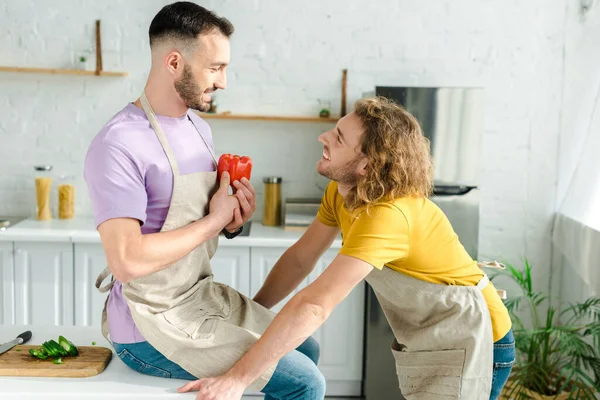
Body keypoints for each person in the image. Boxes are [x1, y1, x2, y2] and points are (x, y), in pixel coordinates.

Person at [177, 97, 516, 400]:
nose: (323, 138)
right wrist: (251, 318)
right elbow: (299, 260)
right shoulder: (343, 193)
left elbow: (315, 305)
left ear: (367, 165)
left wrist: (238, 378)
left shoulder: (387, 216)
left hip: (476, 336)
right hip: (433, 334)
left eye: (338, 138)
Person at [84, 2, 325, 399]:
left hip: (197, 298)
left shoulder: (199, 129)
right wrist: (214, 221)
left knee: (307, 346)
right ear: (175, 62)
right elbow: (125, 261)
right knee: (304, 381)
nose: (223, 82)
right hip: (149, 324)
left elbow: (195, 219)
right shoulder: (118, 143)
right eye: (215, 68)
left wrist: (231, 221)